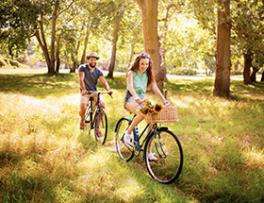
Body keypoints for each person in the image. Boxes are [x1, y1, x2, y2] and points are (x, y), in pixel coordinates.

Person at [123, 52, 169, 160]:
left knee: (153, 117)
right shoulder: (131, 73)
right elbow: (130, 86)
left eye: (147, 64)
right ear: (138, 63)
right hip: (130, 99)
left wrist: (164, 100)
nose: (144, 66)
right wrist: (136, 98)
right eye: (142, 64)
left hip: (142, 100)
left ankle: (149, 152)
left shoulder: (148, 74)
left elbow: (154, 87)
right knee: (144, 112)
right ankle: (127, 133)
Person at [79, 52, 112, 129]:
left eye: (94, 59)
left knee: (102, 106)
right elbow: (81, 79)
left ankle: (97, 127)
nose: (93, 61)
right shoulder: (83, 68)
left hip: (94, 92)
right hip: (86, 92)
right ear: (88, 60)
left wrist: (108, 90)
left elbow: (104, 82)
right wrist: (83, 89)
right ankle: (82, 119)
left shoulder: (98, 71)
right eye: (91, 59)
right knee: (83, 107)